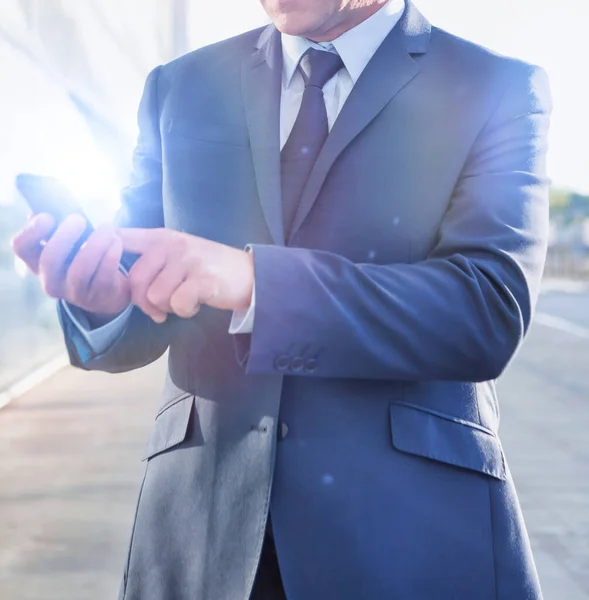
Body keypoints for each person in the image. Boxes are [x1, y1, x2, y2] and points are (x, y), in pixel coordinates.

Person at [12, 0, 552, 598]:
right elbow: (139, 300)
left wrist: (254, 281)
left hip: (409, 536)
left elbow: (486, 310)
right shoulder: (180, 87)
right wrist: (105, 296)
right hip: (203, 534)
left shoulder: (495, 86)